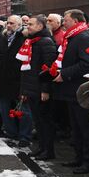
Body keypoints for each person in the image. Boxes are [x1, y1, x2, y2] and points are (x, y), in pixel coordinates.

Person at [52, 9, 89, 174]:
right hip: (71, 90)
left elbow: (86, 64)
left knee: (85, 128)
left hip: (79, 90)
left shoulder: (83, 37)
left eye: (67, 20)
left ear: (77, 20)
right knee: (76, 128)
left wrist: (64, 74)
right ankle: (79, 158)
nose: (64, 23)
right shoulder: (72, 37)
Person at [21, 15, 57, 160]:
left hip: (40, 89)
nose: (27, 26)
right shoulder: (32, 41)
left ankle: (48, 151)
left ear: (40, 27)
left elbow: (48, 68)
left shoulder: (45, 42)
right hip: (32, 87)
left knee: (45, 122)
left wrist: (45, 89)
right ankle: (41, 148)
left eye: (31, 24)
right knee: (38, 121)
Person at [0, 15, 29, 145]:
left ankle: (24, 136)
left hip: (18, 79)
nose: (8, 25)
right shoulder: (3, 37)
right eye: (7, 23)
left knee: (22, 109)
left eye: (12, 23)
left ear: (19, 24)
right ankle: (11, 132)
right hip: (4, 78)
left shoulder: (23, 37)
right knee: (4, 107)